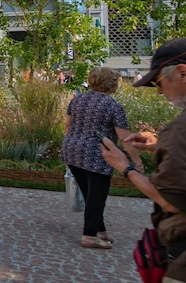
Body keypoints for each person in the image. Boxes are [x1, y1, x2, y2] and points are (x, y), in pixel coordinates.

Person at [102, 38, 186, 280]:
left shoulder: (180, 129)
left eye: (159, 82)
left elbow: (171, 201)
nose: (160, 91)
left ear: (182, 72)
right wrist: (160, 146)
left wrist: (125, 167)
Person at [60, 67, 135, 249]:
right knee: (97, 196)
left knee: (90, 194)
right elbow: (125, 138)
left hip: (73, 150)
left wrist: (73, 142)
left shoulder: (77, 99)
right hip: (98, 155)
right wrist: (136, 162)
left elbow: (67, 126)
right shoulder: (113, 105)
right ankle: (89, 236)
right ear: (111, 84)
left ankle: (99, 230)